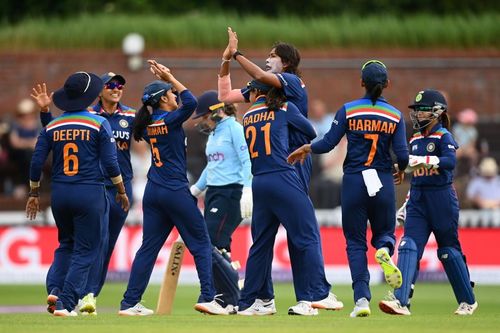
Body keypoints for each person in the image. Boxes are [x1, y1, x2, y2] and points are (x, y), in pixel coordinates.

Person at [219, 27, 340, 312]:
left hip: (280, 167)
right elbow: (226, 93)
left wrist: (235, 54)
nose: (267, 59)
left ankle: (258, 298)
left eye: (273, 56)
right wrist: (226, 60)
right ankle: (309, 296)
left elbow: (258, 79)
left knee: (265, 240)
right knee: (303, 234)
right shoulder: (276, 103)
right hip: (285, 165)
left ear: (285, 63)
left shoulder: (292, 81)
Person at [288, 60, 409, 317]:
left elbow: (329, 143)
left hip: (354, 181)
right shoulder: (396, 115)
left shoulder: (348, 110)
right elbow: (403, 156)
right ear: (387, 84)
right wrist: (400, 169)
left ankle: (361, 300)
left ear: (361, 83)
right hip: (382, 181)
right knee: (384, 233)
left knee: (355, 243)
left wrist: (308, 148)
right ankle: (385, 250)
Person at [119, 60, 227, 316]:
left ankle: (129, 302)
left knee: (148, 248)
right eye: (170, 93)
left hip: (154, 191)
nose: (175, 95)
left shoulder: (147, 125)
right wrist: (169, 75)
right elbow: (190, 101)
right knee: (201, 244)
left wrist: (167, 84)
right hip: (175, 190)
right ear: (162, 100)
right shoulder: (169, 120)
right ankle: (208, 297)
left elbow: (182, 101)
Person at [26, 71, 130, 317]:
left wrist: (33, 193)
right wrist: (121, 190)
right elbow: (112, 164)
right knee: (87, 250)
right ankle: (65, 302)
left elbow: (37, 161)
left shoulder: (53, 124)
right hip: (90, 192)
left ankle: (54, 289)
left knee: (65, 244)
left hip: (60, 194)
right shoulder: (99, 123)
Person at [236, 80, 342, 316]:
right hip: (283, 176)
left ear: (256, 92)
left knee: (260, 244)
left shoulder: (247, 116)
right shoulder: (285, 107)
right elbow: (311, 131)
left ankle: (252, 302)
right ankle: (319, 294)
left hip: (259, 182)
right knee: (308, 235)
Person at [379, 89, 478, 316]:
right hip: (418, 198)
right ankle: (401, 301)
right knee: (408, 246)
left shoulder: (444, 136)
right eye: (417, 111)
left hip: (442, 198)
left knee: (448, 252)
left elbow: (449, 162)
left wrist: (423, 160)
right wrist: (404, 177)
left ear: (437, 112)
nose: (418, 115)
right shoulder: (414, 139)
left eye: (423, 111)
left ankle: (467, 301)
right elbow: (414, 170)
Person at [7, 98, 41, 198]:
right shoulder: (15, 125)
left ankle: (31, 185)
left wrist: (24, 143)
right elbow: (15, 143)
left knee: (30, 156)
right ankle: (23, 185)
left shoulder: (37, 125)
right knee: (25, 155)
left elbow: (38, 142)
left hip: (33, 154)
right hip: (18, 155)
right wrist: (28, 143)